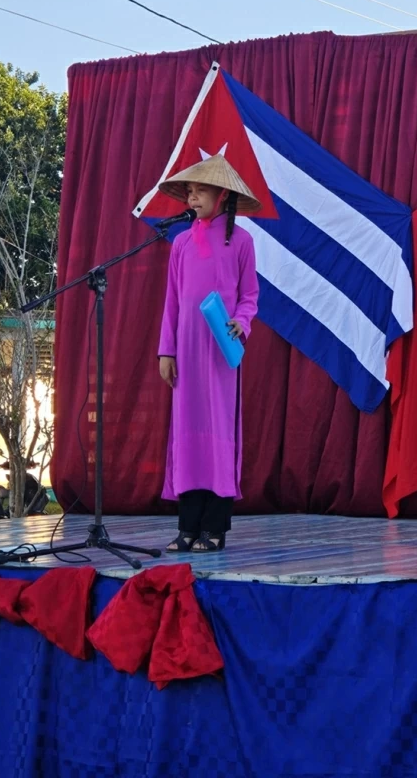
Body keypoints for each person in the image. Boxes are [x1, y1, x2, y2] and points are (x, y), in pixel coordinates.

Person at [156, 155, 260, 553]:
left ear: (222, 196)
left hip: (220, 350)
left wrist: (241, 322)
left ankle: (214, 527)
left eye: (200, 190)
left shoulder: (242, 242)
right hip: (186, 349)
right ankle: (187, 526)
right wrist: (167, 350)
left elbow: (250, 296)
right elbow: (172, 302)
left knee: (217, 433)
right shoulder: (180, 243)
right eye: (190, 191)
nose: (192, 197)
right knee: (187, 433)